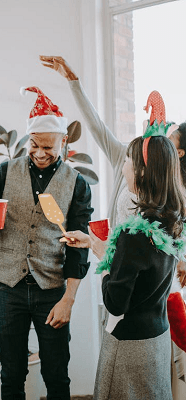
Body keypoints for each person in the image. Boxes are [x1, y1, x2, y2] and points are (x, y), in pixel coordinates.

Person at [41, 55, 186, 353]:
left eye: (167, 141)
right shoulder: (126, 158)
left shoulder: (173, 193)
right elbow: (95, 126)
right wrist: (73, 82)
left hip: (146, 287)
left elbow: (172, 238)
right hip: (117, 270)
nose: (157, 141)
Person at [0, 87, 93, 400]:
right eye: (34, 144)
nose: (39, 153)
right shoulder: (4, 171)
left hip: (51, 289)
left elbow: (79, 249)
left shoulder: (76, 183)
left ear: (63, 141)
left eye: (48, 147)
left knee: (56, 374)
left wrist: (69, 300)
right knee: (11, 374)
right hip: (8, 288)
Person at [62, 96, 186, 399]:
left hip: (130, 345)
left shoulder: (134, 234)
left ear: (142, 171)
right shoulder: (169, 220)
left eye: (128, 162)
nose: (124, 167)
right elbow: (141, 272)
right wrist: (95, 243)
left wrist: (105, 269)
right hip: (156, 336)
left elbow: (116, 303)